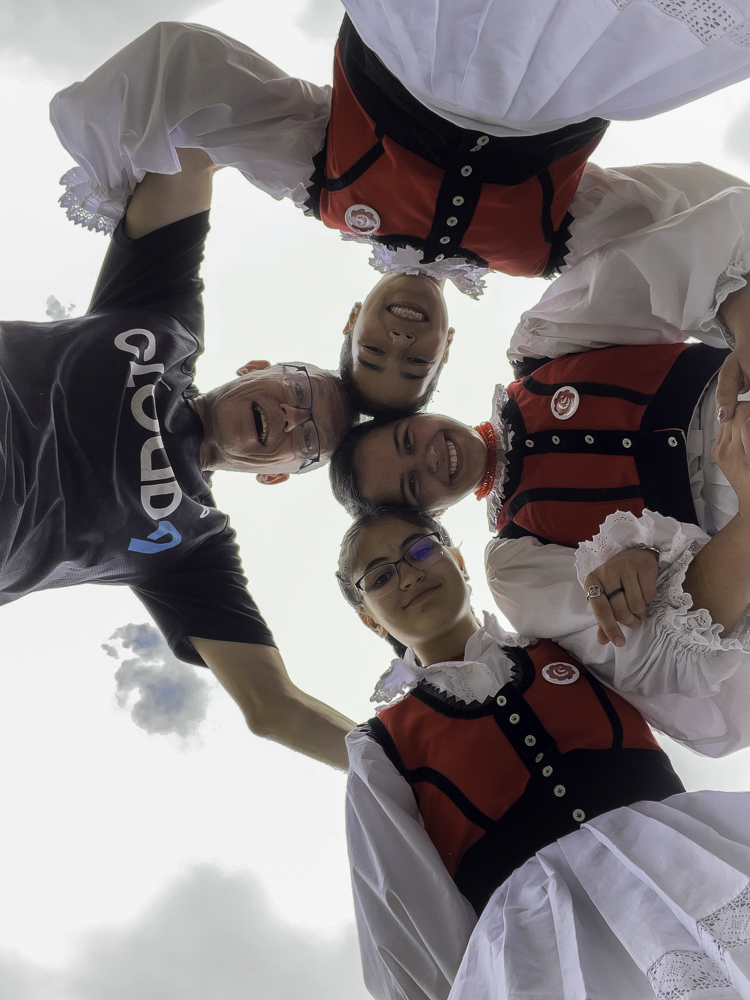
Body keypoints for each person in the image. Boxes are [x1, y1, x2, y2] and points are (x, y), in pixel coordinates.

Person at [49, 14, 750, 417]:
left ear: (353, 320)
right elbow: (697, 217)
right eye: (416, 362)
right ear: (446, 345)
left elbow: (185, 66)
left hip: (422, 32)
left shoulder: (317, 185)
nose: (401, 339)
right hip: (580, 57)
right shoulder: (547, 250)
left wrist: (115, 185)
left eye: (373, 351)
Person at [0, 146, 355, 768]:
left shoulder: (195, 546)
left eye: (308, 442)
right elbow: (191, 153)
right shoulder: (165, 321)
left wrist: (406, 777)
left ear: (275, 475)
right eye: (299, 391)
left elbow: (273, 706)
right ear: (257, 366)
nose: (292, 417)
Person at [338, 506, 750, 1000]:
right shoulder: (381, 747)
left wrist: (644, 554)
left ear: (459, 560)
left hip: (686, 874)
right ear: (369, 619)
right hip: (545, 955)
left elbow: (693, 678)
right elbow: (408, 924)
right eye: (381, 576)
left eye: (421, 549)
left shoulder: (568, 638)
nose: (409, 574)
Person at [330, 179, 750, 644]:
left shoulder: (543, 345)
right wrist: (646, 569)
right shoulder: (516, 562)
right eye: (413, 484)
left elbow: (677, 256)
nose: (428, 457)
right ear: (433, 514)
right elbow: (655, 644)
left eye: (408, 439)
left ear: (422, 414)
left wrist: (746, 333)